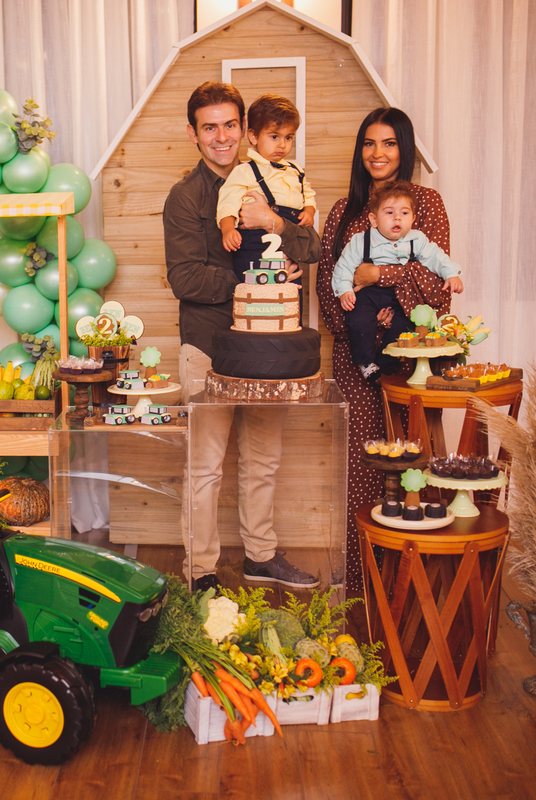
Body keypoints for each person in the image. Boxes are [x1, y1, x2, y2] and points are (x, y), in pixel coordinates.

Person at [164, 81, 323, 592]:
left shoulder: (277, 180)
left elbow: (312, 244)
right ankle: (201, 572)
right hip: (208, 346)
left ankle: (260, 554)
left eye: (229, 125)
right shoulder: (186, 197)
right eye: (209, 127)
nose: (221, 136)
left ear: (245, 129)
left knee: (264, 458)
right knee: (205, 466)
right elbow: (186, 279)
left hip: (267, 349)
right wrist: (264, 282)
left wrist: (273, 220)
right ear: (193, 134)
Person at [315, 108, 453, 590]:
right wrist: (354, 328)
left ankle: (415, 584)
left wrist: (381, 276)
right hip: (357, 359)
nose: (378, 153)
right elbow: (326, 286)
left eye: (389, 143)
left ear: (405, 148)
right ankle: (361, 583)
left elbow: (438, 290)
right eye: (369, 143)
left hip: (412, 357)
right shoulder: (344, 210)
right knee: (365, 466)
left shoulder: (427, 205)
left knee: (416, 460)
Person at [333, 180, 464, 380]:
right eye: (389, 212)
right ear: (374, 219)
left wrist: (451, 274)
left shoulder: (416, 240)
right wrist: (344, 290)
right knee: (358, 319)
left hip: (400, 294)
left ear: (413, 218)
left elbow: (436, 257)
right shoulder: (361, 241)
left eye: (404, 213)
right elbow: (344, 266)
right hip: (369, 293)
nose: (397, 218)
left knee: (405, 326)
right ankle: (366, 362)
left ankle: (385, 364)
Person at [217, 94, 317, 280]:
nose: (282, 144)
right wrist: (228, 229)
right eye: (274, 136)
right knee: (257, 301)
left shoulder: (295, 171)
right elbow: (227, 203)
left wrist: (309, 211)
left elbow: (308, 194)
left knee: (288, 299)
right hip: (254, 248)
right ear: (253, 136)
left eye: (288, 137)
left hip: (289, 249)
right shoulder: (244, 172)